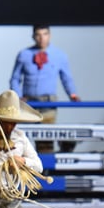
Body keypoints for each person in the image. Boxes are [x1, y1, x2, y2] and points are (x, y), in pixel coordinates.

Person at [9, 24, 80, 153]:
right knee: (20, 139)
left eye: (45, 34)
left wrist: (73, 94)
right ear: (33, 36)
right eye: (38, 35)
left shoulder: (59, 55)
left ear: (50, 35)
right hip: (28, 105)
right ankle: (22, 170)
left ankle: (44, 171)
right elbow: (15, 78)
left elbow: (66, 78)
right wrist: (18, 96)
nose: (42, 38)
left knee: (45, 140)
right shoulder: (24, 54)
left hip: (48, 104)